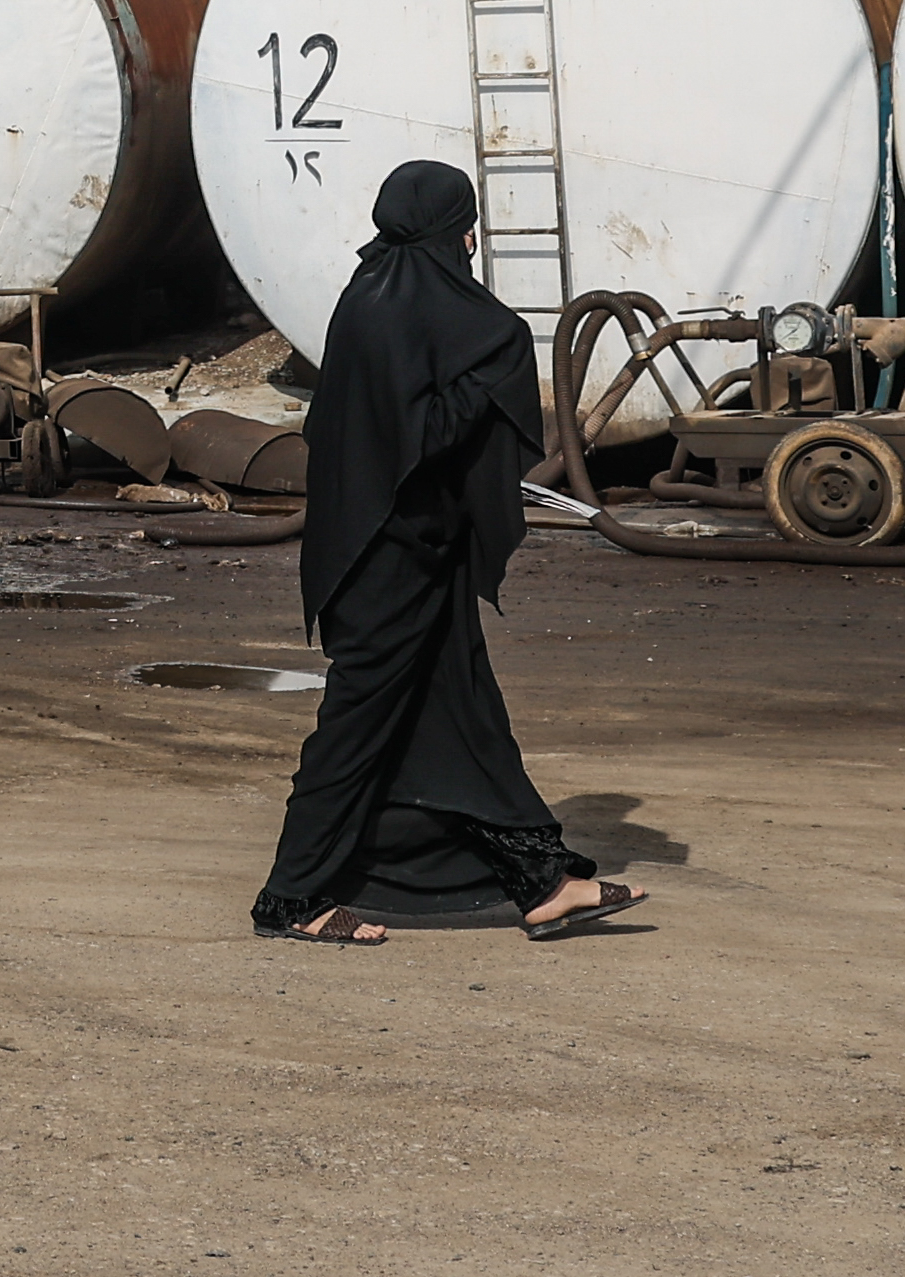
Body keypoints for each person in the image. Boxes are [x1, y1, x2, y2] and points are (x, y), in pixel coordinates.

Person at [248, 159, 643, 946]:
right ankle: (288, 899)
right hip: (386, 563)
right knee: (355, 729)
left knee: (464, 717)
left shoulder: (366, 298)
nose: (470, 238)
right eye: (467, 223)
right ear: (448, 228)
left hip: (398, 556)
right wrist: (489, 375)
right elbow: (418, 439)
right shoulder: (415, 313)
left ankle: (541, 882)